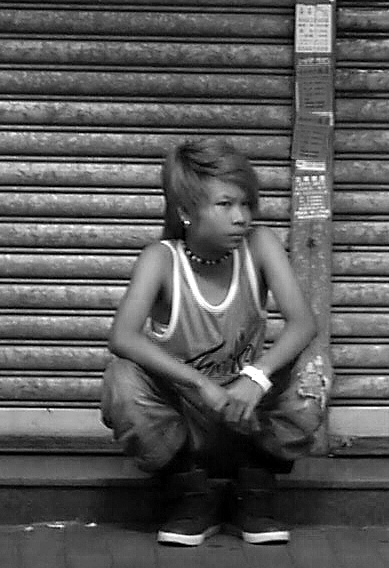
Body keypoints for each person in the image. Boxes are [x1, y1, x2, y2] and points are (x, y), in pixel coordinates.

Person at [99, 137, 324, 547]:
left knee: (314, 368)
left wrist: (256, 377)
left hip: (247, 417)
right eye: (225, 205)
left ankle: (252, 491)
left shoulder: (260, 245)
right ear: (185, 212)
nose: (241, 217)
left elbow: (303, 324)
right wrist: (199, 384)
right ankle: (191, 494)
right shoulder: (161, 259)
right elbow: (122, 336)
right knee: (122, 378)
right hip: (184, 424)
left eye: (245, 204)